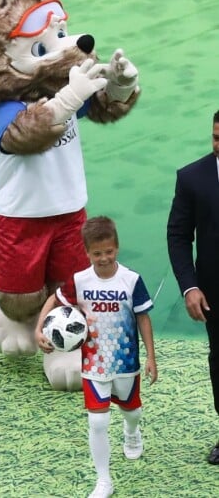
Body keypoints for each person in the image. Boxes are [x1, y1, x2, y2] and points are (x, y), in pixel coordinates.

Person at [35, 216, 157, 498]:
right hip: (93, 365)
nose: (103, 258)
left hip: (126, 364)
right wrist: (39, 329)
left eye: (109, 252)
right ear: (87, 252)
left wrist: (151, 357)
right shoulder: (79, 281)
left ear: (117, 247)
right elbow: (55, 299)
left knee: (132, 411)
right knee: (98, 422)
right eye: (97, 253)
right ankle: (104, 481)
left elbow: (143, 318)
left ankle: (131, 430)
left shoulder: (131, 280)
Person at [167, 110, 219, 465]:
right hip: (215, 295)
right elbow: (178, 235)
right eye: (216, 138)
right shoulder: (192, 178)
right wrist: (190, 287)